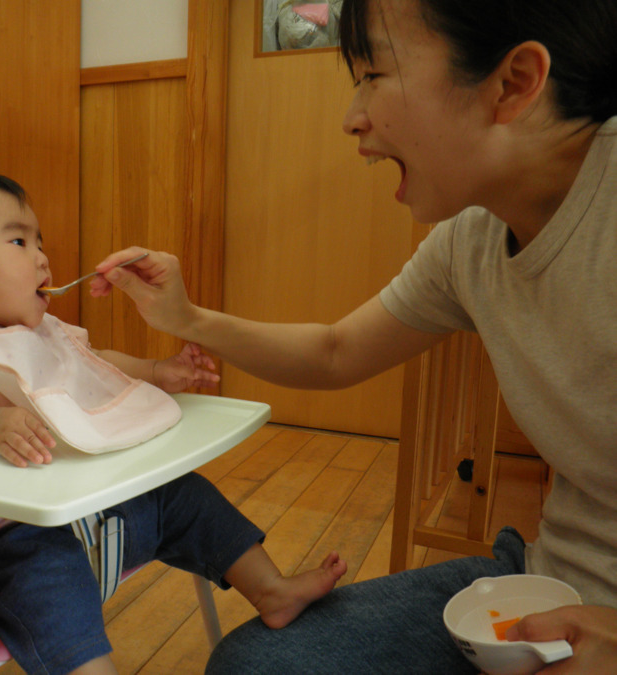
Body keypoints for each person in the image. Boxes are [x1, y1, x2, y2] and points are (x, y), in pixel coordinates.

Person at [89, 0, 617, 672]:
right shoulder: (469, 243)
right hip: (542, 586)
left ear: (513, 82)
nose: (351, 117)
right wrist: (187, 318)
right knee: (252, 664)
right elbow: (336, 350)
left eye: (373, 74)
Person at [0, 163, 348, 675]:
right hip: (9, 534)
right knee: (47, 582)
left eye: (41, 243)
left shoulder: (40, 331)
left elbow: (92, 364)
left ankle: (271, 589)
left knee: (182, 496)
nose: (42, 259)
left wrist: (156, 371)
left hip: (95, 506)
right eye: (19, 242)